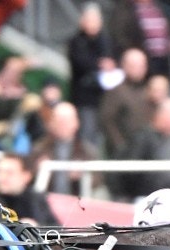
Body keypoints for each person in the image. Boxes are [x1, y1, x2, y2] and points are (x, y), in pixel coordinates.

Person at [66, 3, 114, 150]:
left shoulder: (105, 40)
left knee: (99, 137)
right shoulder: (76, 41)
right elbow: (80, 62)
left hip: (104, 97)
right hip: (84, 98)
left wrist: (110, 65)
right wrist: (100, 65)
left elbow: (112, 59)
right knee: (86, 136)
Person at [0, 152, 60, 227]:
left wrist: (37, 227)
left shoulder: (36, 199)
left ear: (26, 176)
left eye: (9, 173)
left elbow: (56, 228)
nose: (2, 177)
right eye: (0, 171)